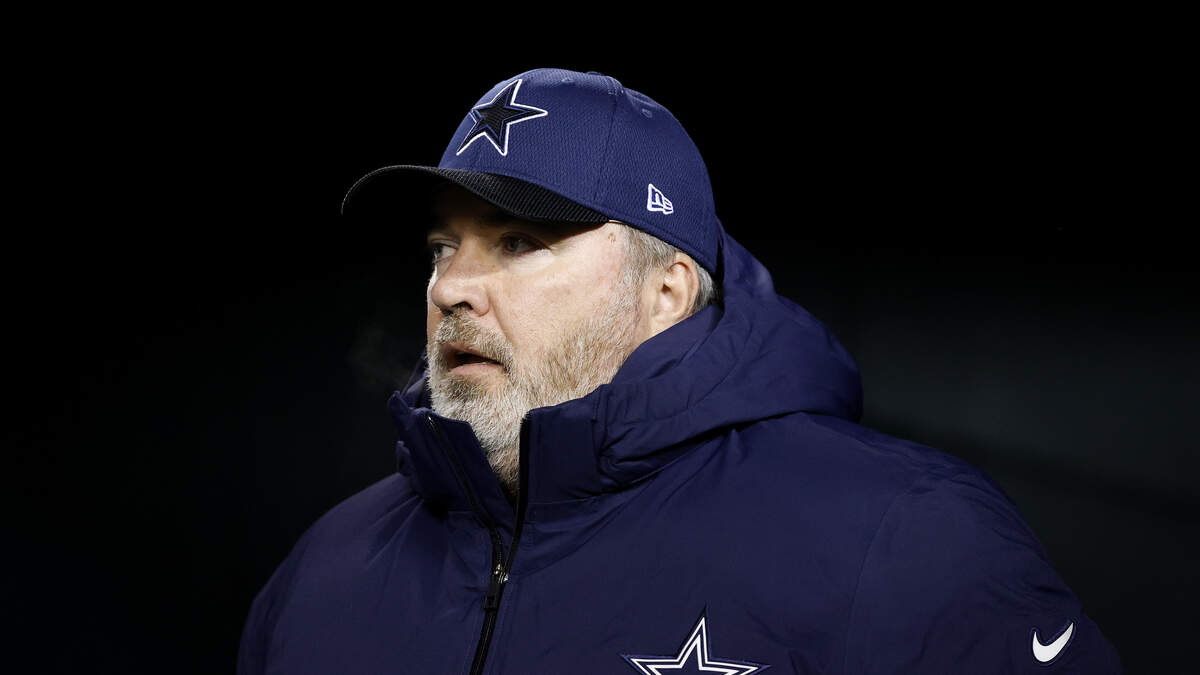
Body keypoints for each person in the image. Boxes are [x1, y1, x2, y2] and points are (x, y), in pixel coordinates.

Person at [237, 68, 1121, 673]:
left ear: (666, 291)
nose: (452, 287)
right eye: (442, 246)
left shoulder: (903, 542)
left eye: (519, 242)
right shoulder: (324, 573)